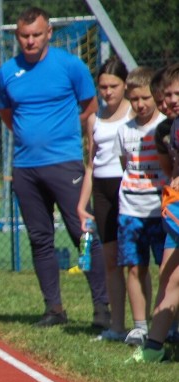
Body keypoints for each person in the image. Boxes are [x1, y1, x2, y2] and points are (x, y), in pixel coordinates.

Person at [0, 6, 109, 328]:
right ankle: (54, 309)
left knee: (82, 232)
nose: (30, 41)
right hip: (25, 167)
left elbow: (90, 107)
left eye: (36, 34)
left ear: (49, 33)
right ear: (17, 36)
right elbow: (7, 115)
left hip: (66, 163)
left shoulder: (70, 65)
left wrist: (65, 133)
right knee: (40, 238)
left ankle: (103, 308)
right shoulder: (7, 72)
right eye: (24, 36)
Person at [77, 58, 133, 341]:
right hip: (101, 190)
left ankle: (145, 324)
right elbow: (90, 165)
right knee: (110, 260)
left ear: (125, 85)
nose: (108, 92)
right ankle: (117, 326)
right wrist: (81, 204)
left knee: (135, 262)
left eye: (113, 86)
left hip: (128, 187)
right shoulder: (94, 118)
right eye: (103, 87)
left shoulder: (134, 112)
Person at [113, 66, 168, 347]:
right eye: (134, 99)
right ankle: (139, 326)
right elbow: (125, 164)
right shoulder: (124, 130)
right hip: (130, 210)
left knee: (167, 270)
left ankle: (169, 323)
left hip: (161, 208)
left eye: (145, 98)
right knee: (135, 268)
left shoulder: (166, 126)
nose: (140, 104)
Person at [129, 63, 179, 362]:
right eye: (165, 97)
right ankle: (155, 346)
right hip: (176, 210)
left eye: (175, 94)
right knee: (169, 277)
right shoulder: (170, 128)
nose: (170, 101)